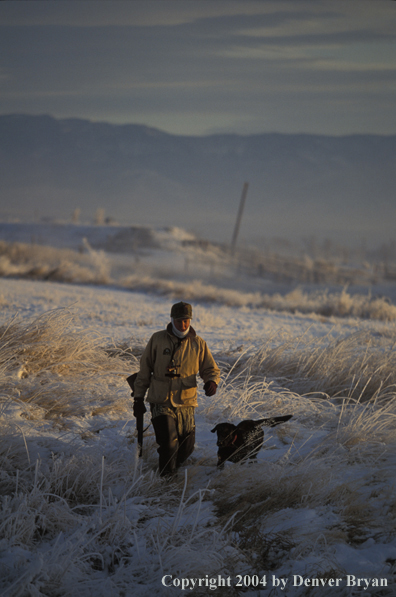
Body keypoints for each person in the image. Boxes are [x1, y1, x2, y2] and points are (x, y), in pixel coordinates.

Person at [132, 301, 220, 477]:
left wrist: (212, 381)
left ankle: (172, 467)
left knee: (187, 447)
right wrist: (138, 398)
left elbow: (211, 369)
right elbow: (144, 371)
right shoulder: (157, 339)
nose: (183, 324)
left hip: (186, 402)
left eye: (186, 320)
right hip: (160, 400)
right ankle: (166, 481)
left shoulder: (198, 343)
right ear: (172, 319)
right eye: (179, 320)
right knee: (169, 443)